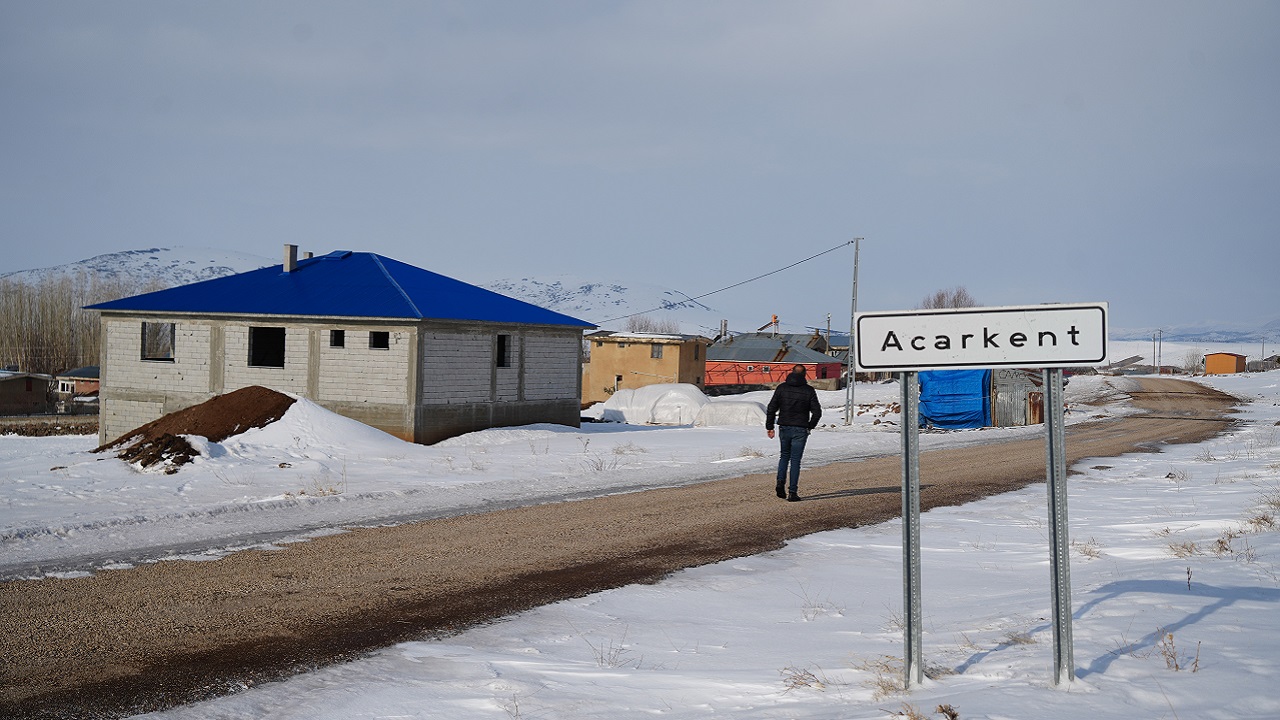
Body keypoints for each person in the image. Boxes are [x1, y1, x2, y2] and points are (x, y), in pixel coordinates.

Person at [765, 364, 822, 501]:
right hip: (800, 429)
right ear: (805, 374)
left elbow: (771, 408)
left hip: (784, 427)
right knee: (795, 460)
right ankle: (792, 492)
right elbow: (817, 412)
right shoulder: (809, 390)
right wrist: (810, 426)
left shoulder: (781, 388)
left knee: (784, 456)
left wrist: (770, 426)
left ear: (792, 372)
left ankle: (780, 482)